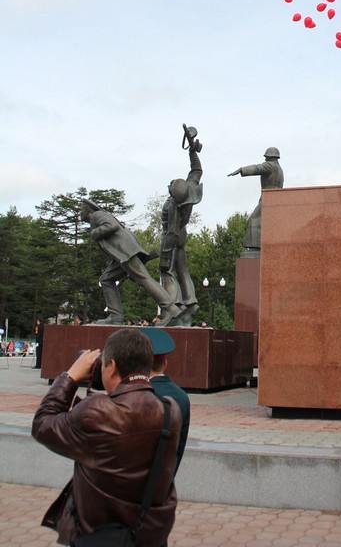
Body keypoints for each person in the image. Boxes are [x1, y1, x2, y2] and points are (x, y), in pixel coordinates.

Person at [32, 328, 182, 547]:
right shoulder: (170, 410)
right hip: (150, 535)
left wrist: (70, 377)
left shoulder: (97, 412)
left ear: (111, 366)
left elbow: (42, 424)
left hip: (102, 536)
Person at [80, 199, 181, 327]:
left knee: (145, 279)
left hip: (126, 253)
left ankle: (172, 310)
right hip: (122, 256)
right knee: (106, 279)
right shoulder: (96, 219)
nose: (80, 213)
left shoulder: (97, 215)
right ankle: (115, 316)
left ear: (87, 210)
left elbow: (112, 226)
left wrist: (95, 233)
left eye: (81, 209)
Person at [160, 125, 203, 327]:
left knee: (167, 272)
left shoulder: (172, 206)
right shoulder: (189, 188)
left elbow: (171, 233)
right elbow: (197, 170)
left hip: (173, 237)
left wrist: (165, 255)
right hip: (182, 235)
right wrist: (193, 152)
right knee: (183, 270)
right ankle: (190, 301)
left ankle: (174, 307)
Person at [140, 327, 190, 471]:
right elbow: (179, 447)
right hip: (166, 477)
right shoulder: (182, 397)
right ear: (165, 364)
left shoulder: (133, 392)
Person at [228, 147, 284, 250]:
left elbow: (257, 168)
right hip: (275, 197)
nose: (265, 159)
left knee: (255, 220)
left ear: (270, 157)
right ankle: (265, 246)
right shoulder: (279, 169)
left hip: (269, 197)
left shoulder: (270, 166)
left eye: (266, 157)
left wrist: (242, 170)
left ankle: (255, 247)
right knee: (267, 222)